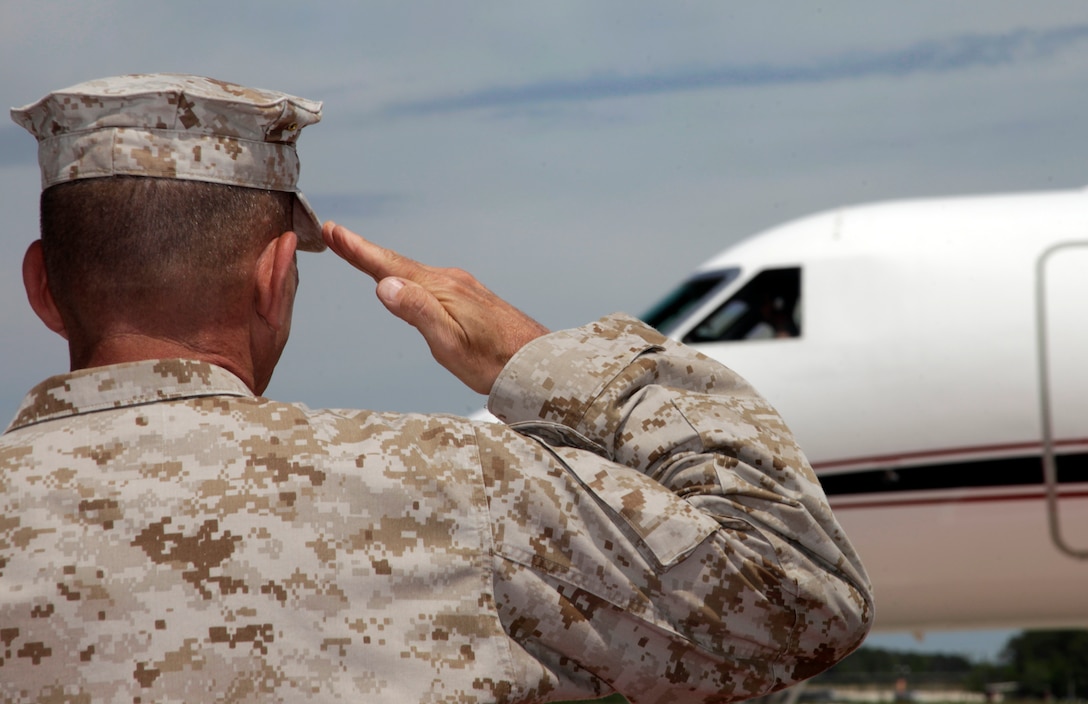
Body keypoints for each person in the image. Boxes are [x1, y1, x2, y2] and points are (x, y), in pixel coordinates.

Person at [1, 74, 872, 703]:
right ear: (275, 276)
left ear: (41, 285)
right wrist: (539, 361)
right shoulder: (467, 486)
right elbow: (799, 592)